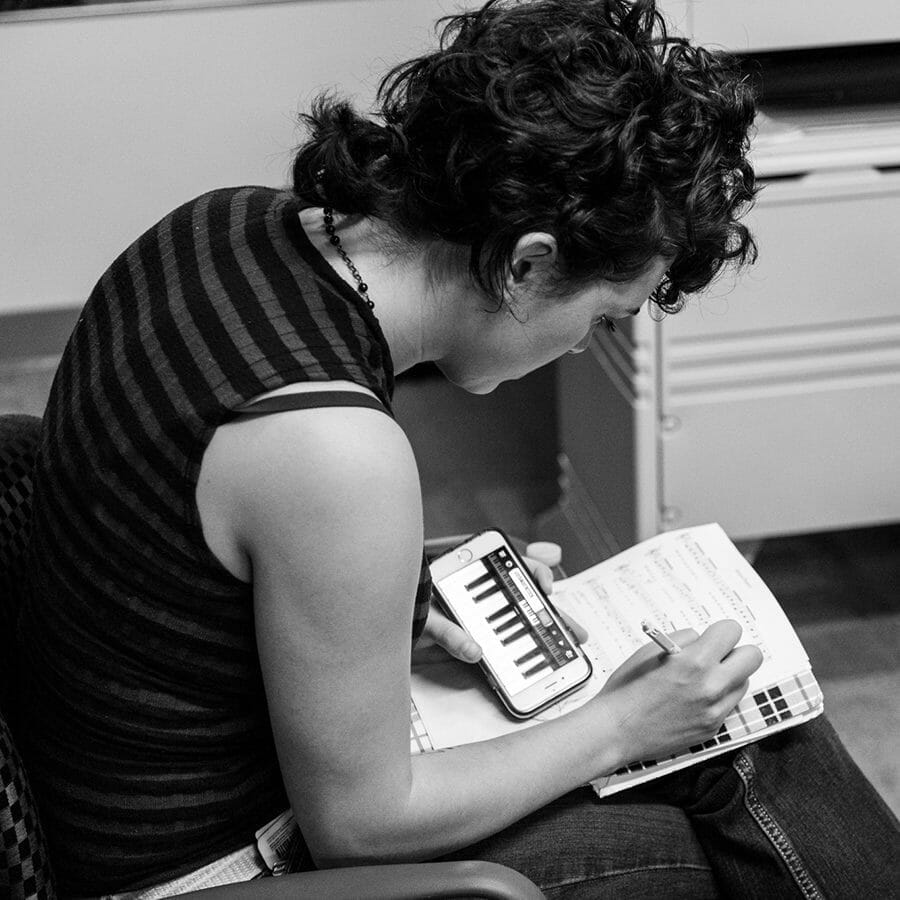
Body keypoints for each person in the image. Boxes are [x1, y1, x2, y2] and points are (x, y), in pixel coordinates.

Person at [15, 0, 899, 897]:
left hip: (115, 768)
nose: (583, 343)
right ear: (528, 263)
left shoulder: (217, 226)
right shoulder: (332, 450)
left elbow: (190, 539)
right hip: (204, 869)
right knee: (744, 753)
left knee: (733, 732)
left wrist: (381, 581)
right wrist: (622, 727)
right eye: (602, 316)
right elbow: (362, 829)